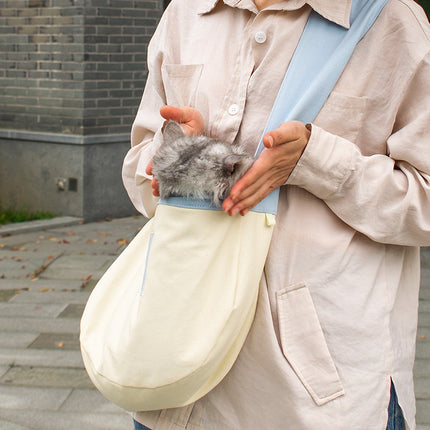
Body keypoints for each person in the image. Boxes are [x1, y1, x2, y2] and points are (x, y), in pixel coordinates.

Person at [122, 0, 430, 428]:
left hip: (319, 401)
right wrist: (184, 157)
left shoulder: (392, 21)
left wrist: (318, 161)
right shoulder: (186, 12)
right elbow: (140, 174)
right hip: (176, 378)